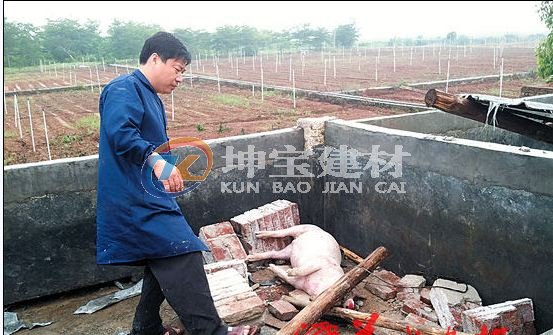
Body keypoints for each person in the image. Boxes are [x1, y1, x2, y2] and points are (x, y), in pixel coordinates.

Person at [96, 32, 258, 335]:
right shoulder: (124, 89)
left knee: (164, 256)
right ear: (155, 58)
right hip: (135, 200)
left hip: (149, 197)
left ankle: (146, 329)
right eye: (178, 69)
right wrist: (156, 161)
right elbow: (122, 134)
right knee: (183, 252)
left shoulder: (149, 96)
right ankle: (212, 332)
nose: (180, 78)